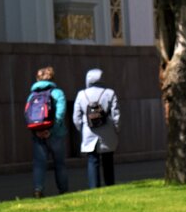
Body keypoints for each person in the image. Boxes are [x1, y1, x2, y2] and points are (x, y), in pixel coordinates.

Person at [72, 68, 120, 188]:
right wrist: (116, 129)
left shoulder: (81, 94)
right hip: (107, 131)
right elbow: (116, 115)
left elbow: (76, 117)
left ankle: (94, 187)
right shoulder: (110, 93)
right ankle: (110, 185)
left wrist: (81, 128)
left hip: (89, 131)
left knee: (92, 160)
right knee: (108, 160)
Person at [27, 66, 68, 197]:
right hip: (56, 134)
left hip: (38, 134)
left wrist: (37, 132)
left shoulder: (32, 95)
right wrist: (51, 130)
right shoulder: (57, 93)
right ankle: (63, 190)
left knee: (39, 164)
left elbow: (27, 115)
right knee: (60, 163)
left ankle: (38, 189)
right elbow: (60, 114)